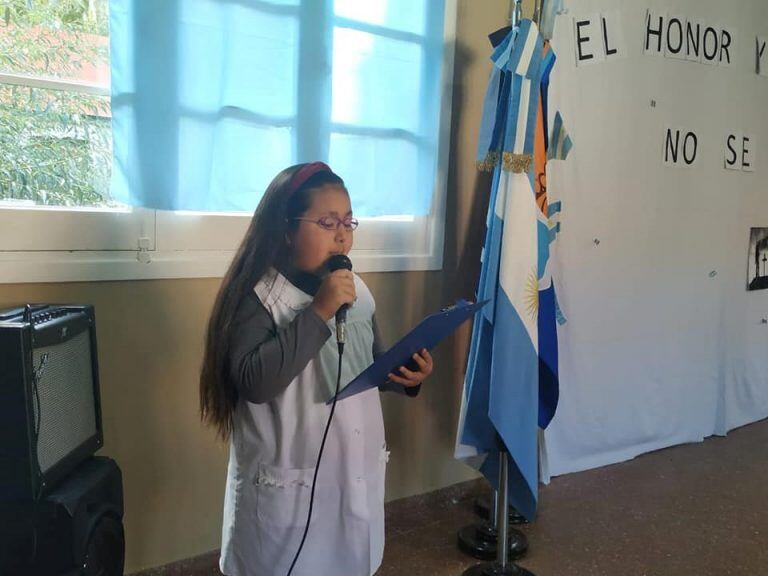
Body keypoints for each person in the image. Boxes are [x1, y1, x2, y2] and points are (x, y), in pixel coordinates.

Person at [199, 162, 434, 576]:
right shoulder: (258, 298)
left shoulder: (355, 287)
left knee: (349, 561)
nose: (342, 234)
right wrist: (321, 310)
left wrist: (406, 377)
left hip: (351, 474)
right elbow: (255, 383)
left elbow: (370, 364)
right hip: (288, 487)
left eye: (348, 221)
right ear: (286, 230)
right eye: (327, 222)